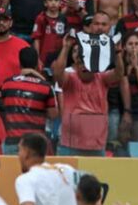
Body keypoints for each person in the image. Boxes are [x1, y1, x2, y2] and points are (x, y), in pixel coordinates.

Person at [52, 13, 126, 156]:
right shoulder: (70, 79)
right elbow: (57, 73)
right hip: (70, 144)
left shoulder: (102, 78)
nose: (84, 66)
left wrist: (117, 53)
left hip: (96, 145)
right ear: (76, 64)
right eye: (81, 63)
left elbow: (119, 73)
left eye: (87, 63)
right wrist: (66, 47)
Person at [0, 48, 57, 154]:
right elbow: (53, 115)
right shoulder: (45, 87)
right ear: (37, 64)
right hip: (35, 143)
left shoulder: (7, 84)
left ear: (20, 63)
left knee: (11, 171)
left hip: (12, 140)